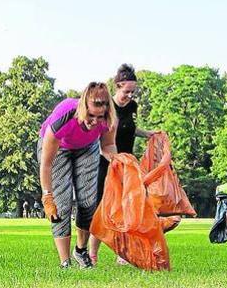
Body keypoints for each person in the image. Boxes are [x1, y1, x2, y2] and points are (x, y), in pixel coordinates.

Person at [38, 82, 117, 269]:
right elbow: (46, 164)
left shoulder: (110, 119)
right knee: (62, 204)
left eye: (99, 117)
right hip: (59, 148)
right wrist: (47, 196)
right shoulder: (65, 115)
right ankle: (65, 261)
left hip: (87, 148)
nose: (95, 121)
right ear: (82, 107)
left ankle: (81, 251)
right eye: (90, 115)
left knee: (89, 202)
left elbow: (107, 146)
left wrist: (119, 161)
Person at [89, 64, 158, 265]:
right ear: (117, 86)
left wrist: (148, 134)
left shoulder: (132, 107)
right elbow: (101, 137)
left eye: (132, 92)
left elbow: (130, 128)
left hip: (128, 164)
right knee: (103, 209)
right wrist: (115, 160)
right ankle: (91, 255)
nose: (129, 95)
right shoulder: (106, 107)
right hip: (106, 163)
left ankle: (123, 254)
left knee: (128, 209)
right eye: (126, 91)